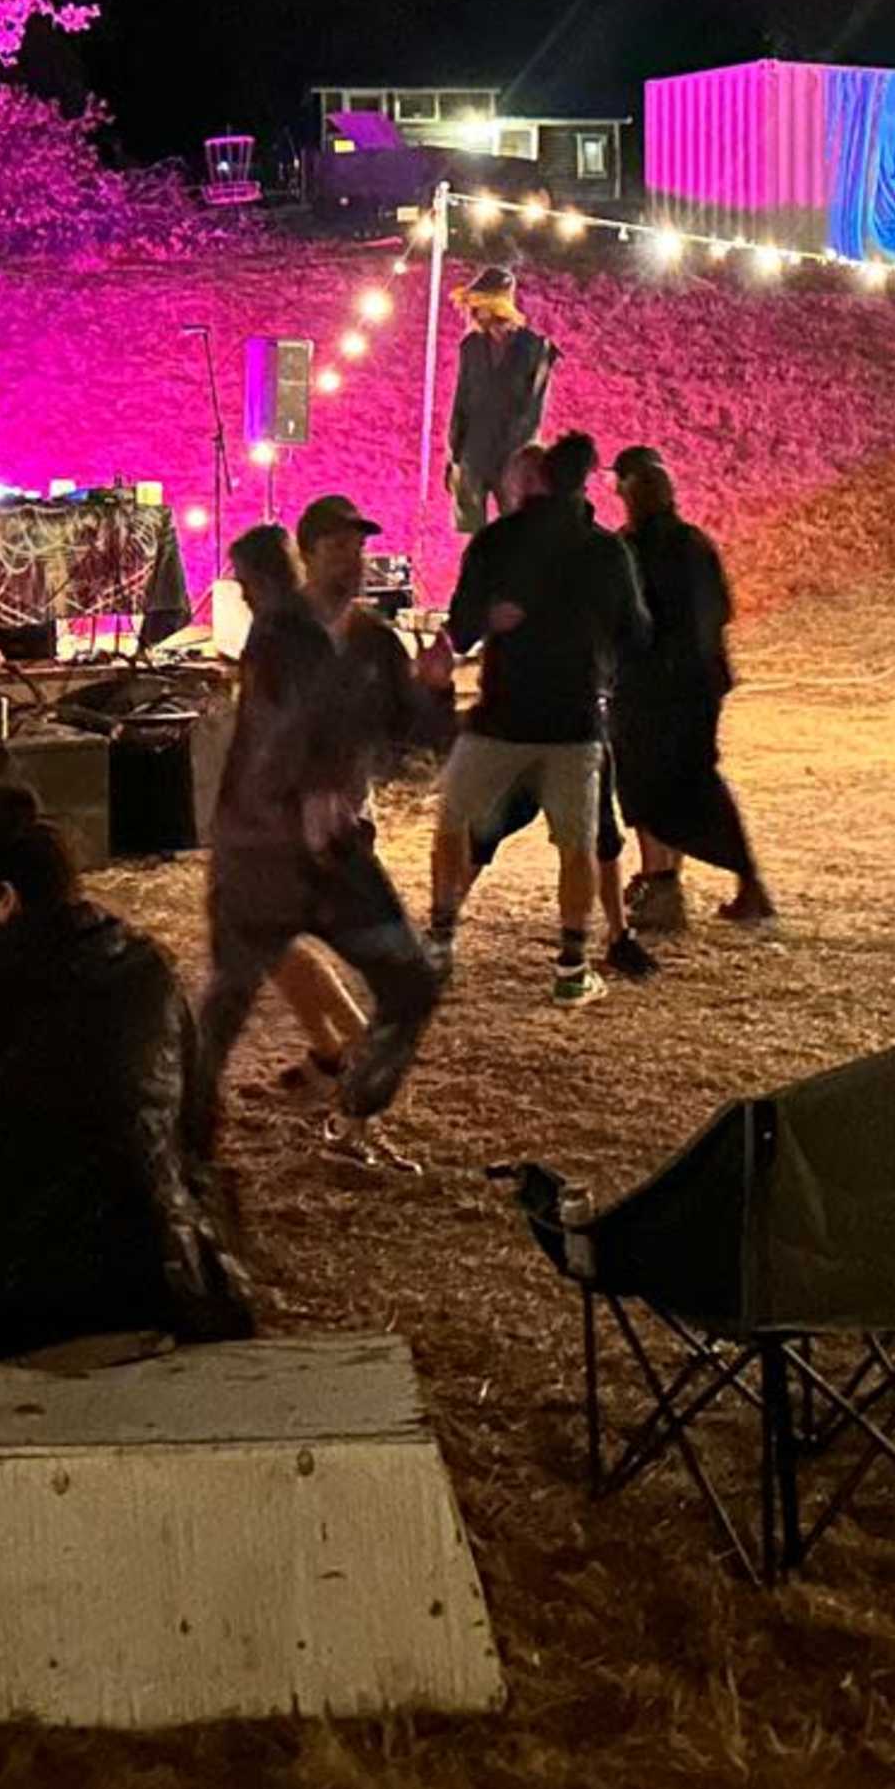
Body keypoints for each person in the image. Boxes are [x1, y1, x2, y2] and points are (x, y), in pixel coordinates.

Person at [0, 790, 246, 1386]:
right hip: (164, 1273)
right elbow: (197, 1122)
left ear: (5, 901)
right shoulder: (148, 967)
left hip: (21, 1298)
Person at [191, 517, 451, 1139]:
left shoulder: (376, 642)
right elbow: (282, 729)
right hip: (264, 850)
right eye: (336, 547)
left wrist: (436, 693)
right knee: (230, 995)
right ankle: (184, 1132)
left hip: (335, 851)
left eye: (359, 547)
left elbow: (413, 733)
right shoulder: (278, 637)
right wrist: (305, 794)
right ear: (307, 556)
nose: (352, 559)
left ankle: (356, 1104)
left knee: (412, 980)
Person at [430, 431, 653, 1003]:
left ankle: (438, 939)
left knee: (456, 821)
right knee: (578, 844)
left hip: (501, 715)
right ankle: (572, 965)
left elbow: (460, 625)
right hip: (574, 719)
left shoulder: (498, 541)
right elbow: (636, 635)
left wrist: (491, 620)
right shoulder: (607, 551)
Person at [607, 447, 776, 934]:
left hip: (649, 688)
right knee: (692, 781)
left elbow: (629, 620)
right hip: (698, 684)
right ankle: (699, 881)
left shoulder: (632, 547)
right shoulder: (693, 542)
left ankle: (662, 883)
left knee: (644, 784)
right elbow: (720, 610)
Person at [443, 266, 556, 536]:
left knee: (519, 530)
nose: (472, 313)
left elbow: (533, 409)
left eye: (478, 304)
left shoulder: (534, 348)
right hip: (473, 452)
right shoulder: (470, 346)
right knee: (471, 532)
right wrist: (454, 456)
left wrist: (521, 458)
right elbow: (462, 400)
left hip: (512, 455)